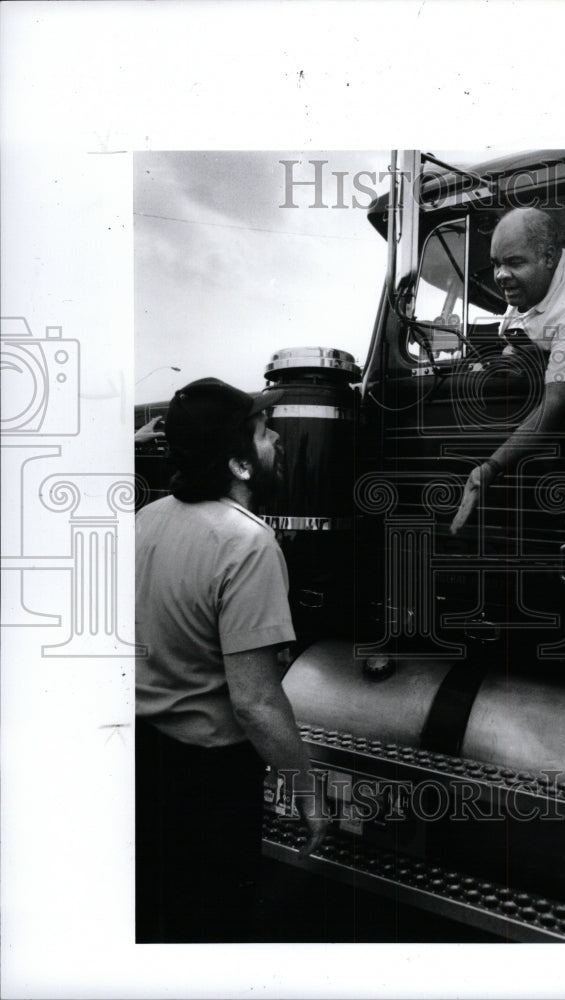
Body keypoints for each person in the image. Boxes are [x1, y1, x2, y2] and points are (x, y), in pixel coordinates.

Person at [135, 377, 327, 942]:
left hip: (143, 761)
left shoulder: (148, 519)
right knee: (212, 927)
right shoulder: (247, 543)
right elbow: (257, 701)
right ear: (241, 465)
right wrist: (308, 792)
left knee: (155, 915)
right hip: (205, 782)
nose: (279, 444)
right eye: (266, 433)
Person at [450, 207, 565, 534]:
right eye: (497, 263)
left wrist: (489, 469)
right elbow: (513, 344)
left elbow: (558, 405)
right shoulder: (529, 286)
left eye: (514, 262)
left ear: (550, 257)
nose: (500, 275)